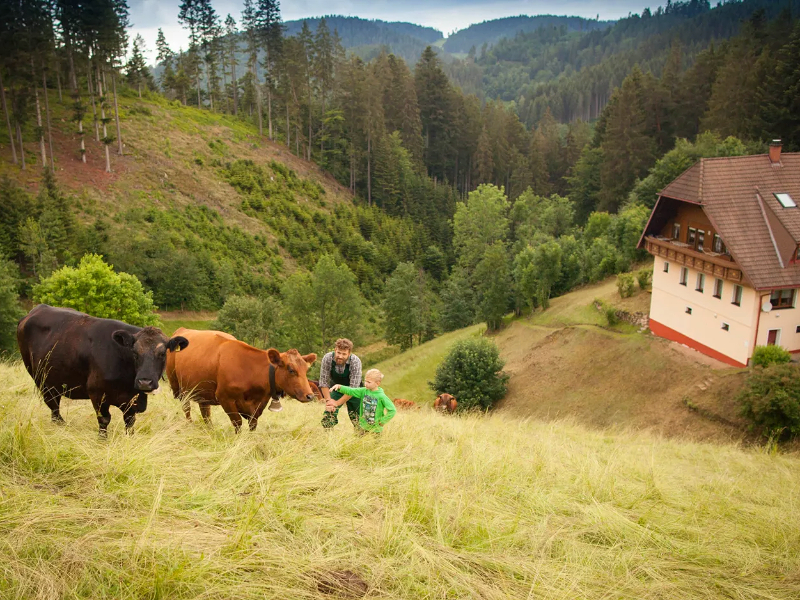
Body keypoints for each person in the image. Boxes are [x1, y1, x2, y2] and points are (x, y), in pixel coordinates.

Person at [330, 369, 396, 434]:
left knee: (375, 444)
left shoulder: (381, 396)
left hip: (376, 429)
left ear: (377, 383)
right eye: (365, 381)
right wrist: (339, 387)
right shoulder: (363, 391)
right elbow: (352, 391)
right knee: (359, 443)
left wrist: (382, 421)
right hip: (363, 427)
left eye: (369, 382)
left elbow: (392, 410)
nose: (365, 384)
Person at [319, 338, 363, 429]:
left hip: (354, 391)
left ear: (349, 353)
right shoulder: (327, 358)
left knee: (359, 419)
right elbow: (323, 382)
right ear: (335, 349)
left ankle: (361, 439)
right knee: (328, 414)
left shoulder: (355, 361)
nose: (340, 356)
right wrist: (329, 401)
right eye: (338, 352)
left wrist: (337, 403)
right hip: (336, 389)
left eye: (344, 354)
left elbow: (353, 388)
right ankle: (328, 436)